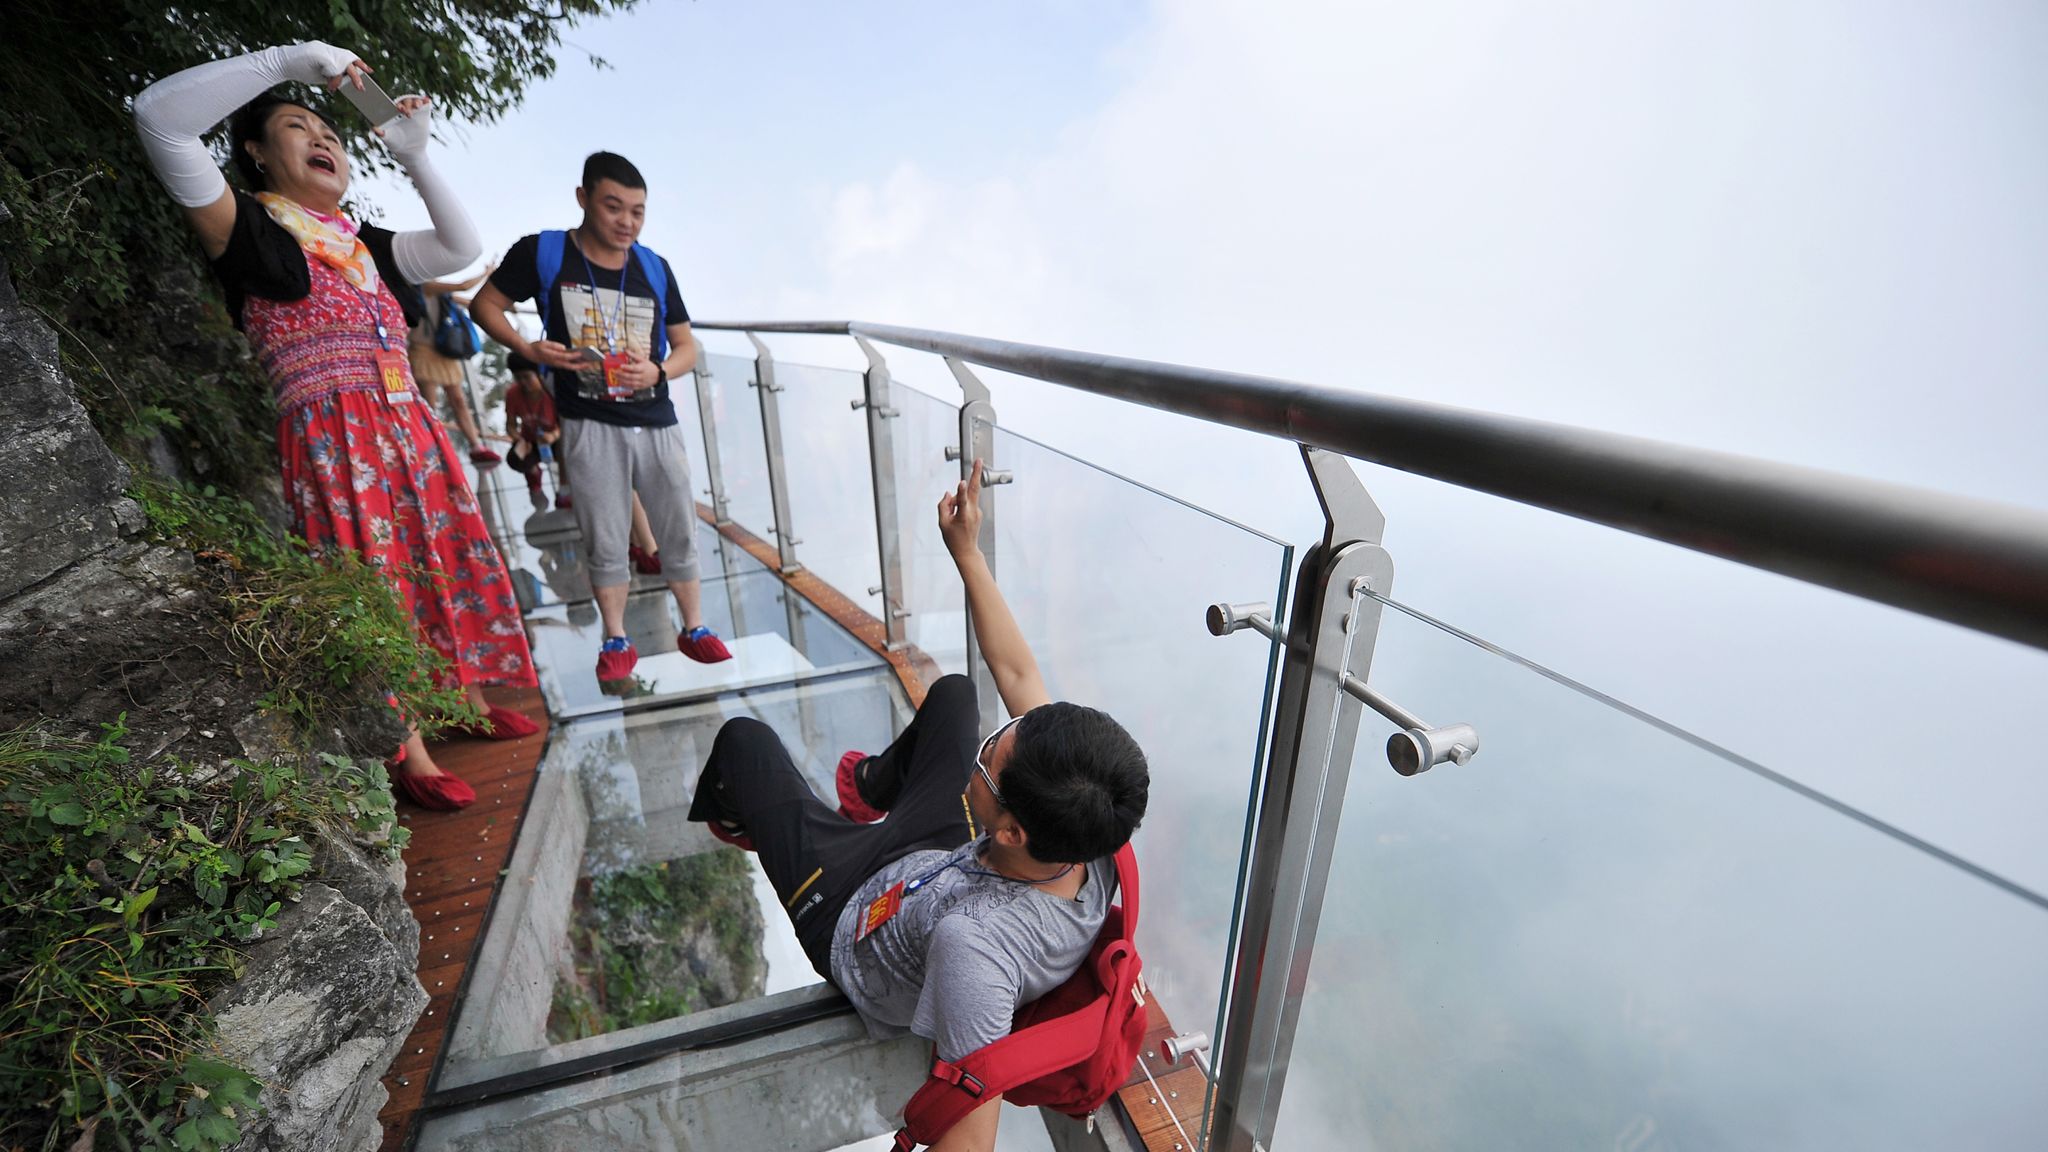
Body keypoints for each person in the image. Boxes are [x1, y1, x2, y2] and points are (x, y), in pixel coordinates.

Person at [685, 462, 1149, 1152]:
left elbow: (970, 1138)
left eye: (988, 760)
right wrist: (966, 551)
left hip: (849, 917)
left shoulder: (977, 954)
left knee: (743, 743)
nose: (980, 754)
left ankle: (758, 826)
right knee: (957, 692)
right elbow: (1018, 674)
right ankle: (867, 789)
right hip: (941, 864)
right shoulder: (1092, 829)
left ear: (1016, 825)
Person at [133, 41, 539, 811]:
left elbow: (461, 247)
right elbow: (157, 120)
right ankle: (407, 750)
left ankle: (468, 702)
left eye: (332, 132)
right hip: (332, 443)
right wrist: (286, 62)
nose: (323, 138)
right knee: (372, 589)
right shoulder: (245, 230)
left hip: (410, 430)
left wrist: (417, 157)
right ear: (254, 152)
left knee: (444, 563)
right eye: (296, 124)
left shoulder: (365, 245)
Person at [471, 151, 731, 679]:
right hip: (587, 420)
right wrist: (529, 347)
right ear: (583, 199)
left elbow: (687, 346)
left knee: (678, 524)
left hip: (656, 419)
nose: (627, 222)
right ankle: (616, 639)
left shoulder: (653, 267)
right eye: (614, 207)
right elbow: (485, 306)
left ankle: (695, 626)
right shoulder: (543, 253)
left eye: (637, 211)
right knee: (605, 531)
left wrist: (658, 371)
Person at [409, 271, 504, 462]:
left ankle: (476, 446)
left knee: (459, 400)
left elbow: (462, 299)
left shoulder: (436, 288)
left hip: (445, 350)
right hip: (424, 350)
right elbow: (463, 286)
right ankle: (432, 445)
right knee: (429, 403)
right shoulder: (422, 284)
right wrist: (487, 272)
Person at [502, 351, 565, 501]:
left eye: (527, 377)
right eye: (518, 378)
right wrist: (518, 439)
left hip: (555, 439)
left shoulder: (551, 391)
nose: (523, 382)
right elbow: (510, 425)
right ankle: (533, 476)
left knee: (567, 451)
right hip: (531, 442)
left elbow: (566, 424)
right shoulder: (513, 394)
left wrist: (553, 435)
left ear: (537, 373)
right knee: (515, 459)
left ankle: (565, 488)